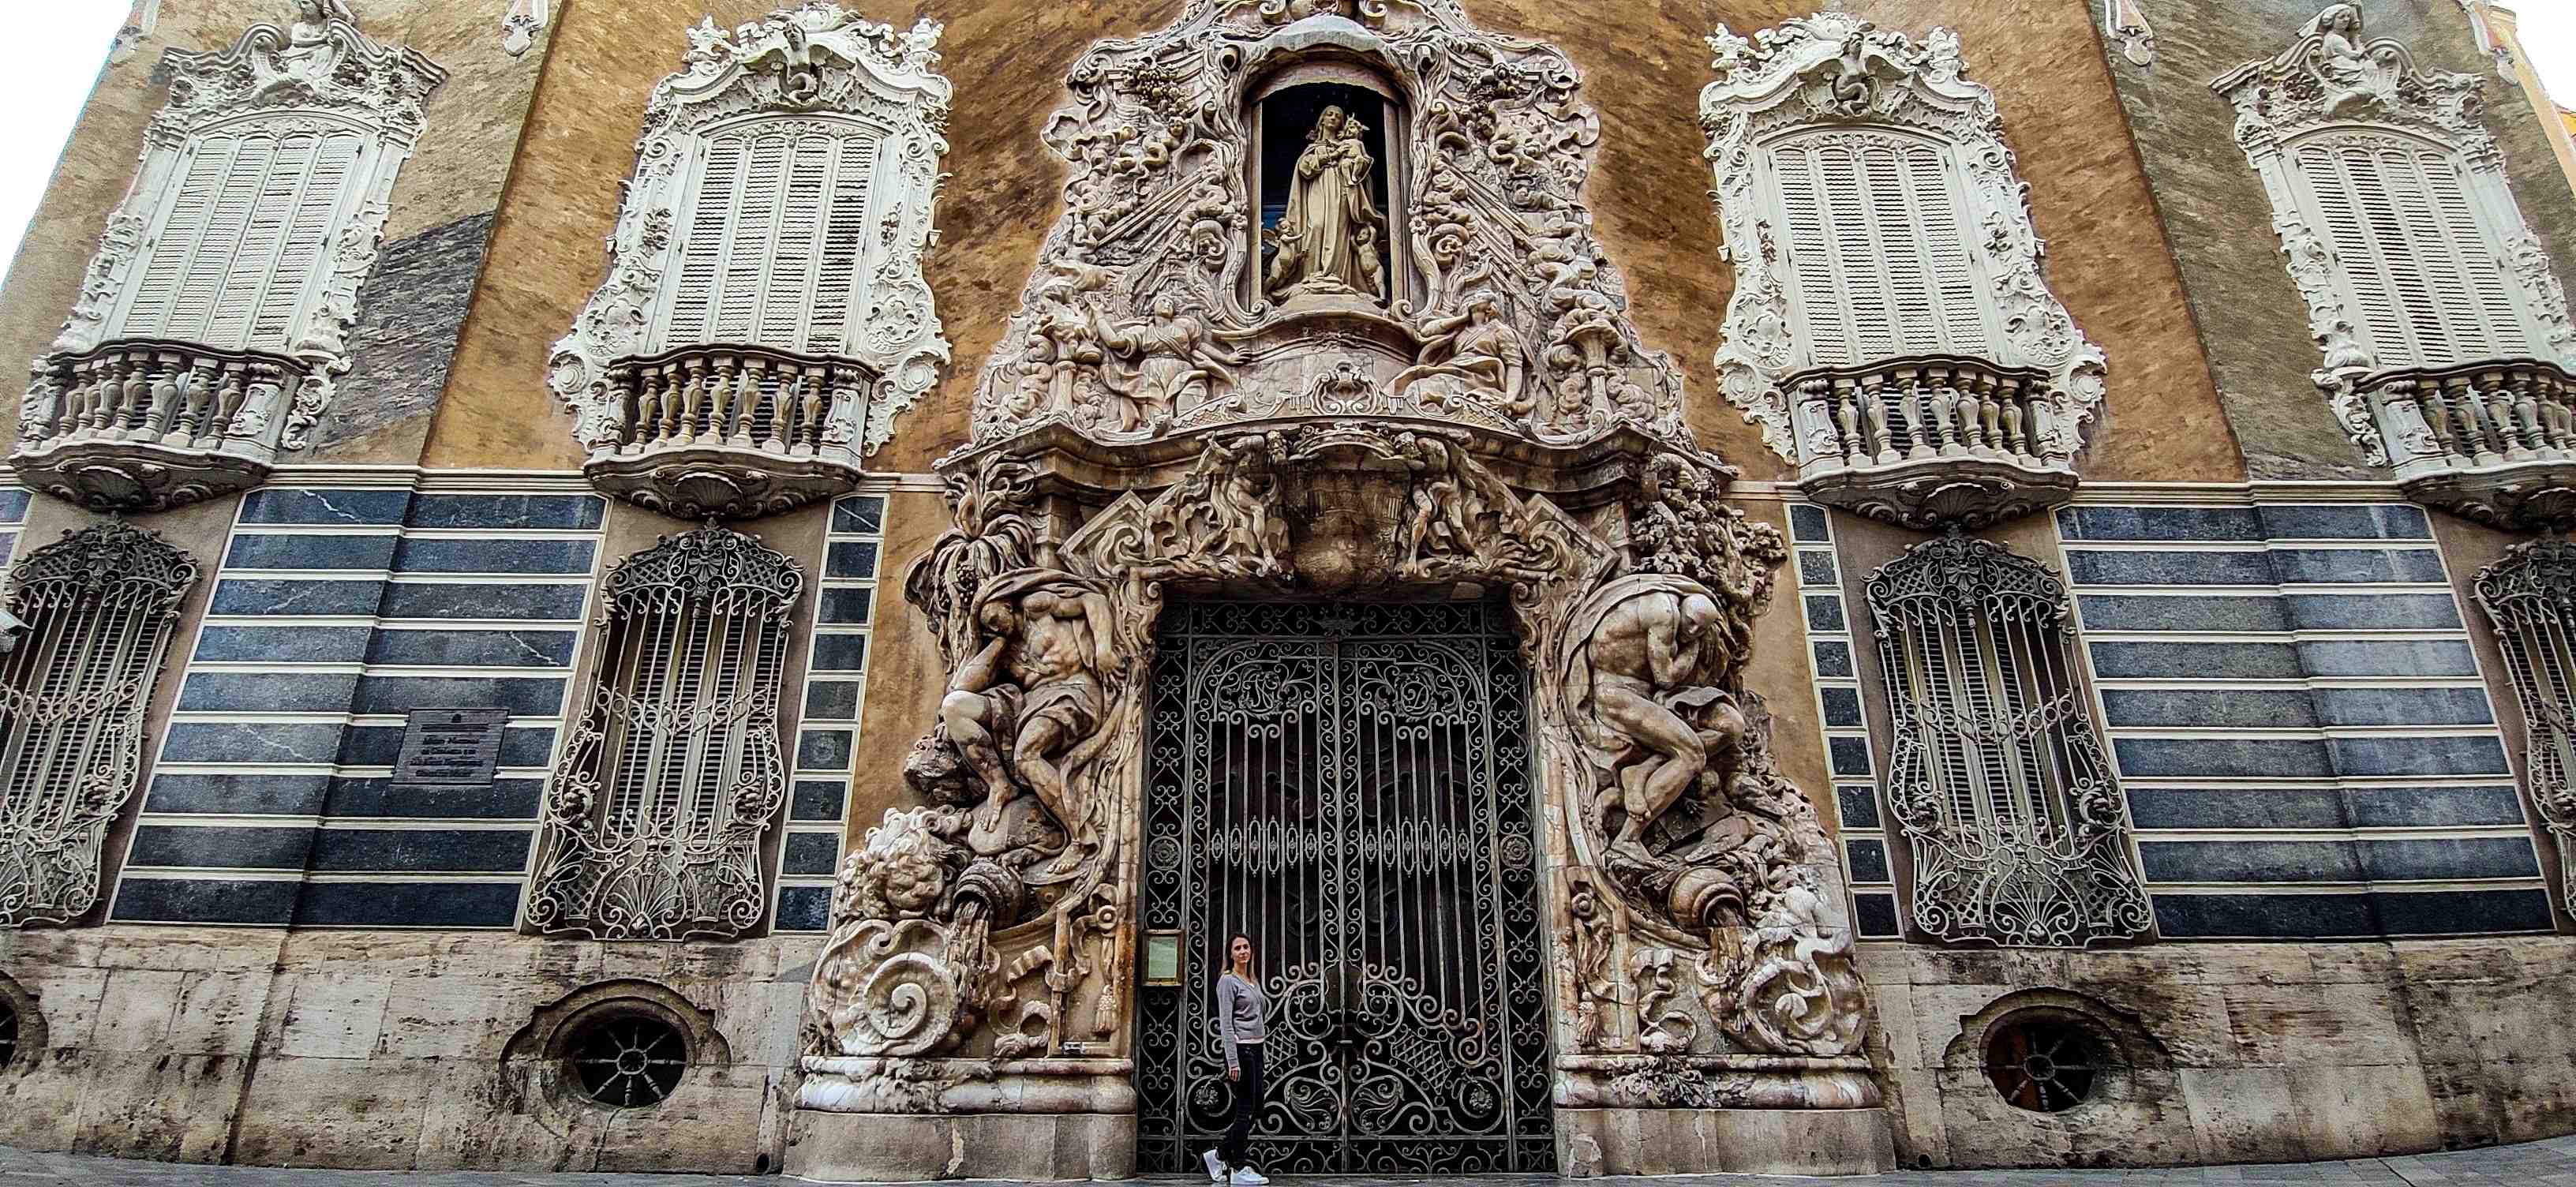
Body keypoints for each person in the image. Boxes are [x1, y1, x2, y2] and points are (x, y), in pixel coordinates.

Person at [1204, 933, 1270, 1185]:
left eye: (1246, 947)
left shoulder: (1251, 980)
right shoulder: (1227, 981)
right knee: (1245, 1109)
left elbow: (1258, 1017)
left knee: (1257, 1108)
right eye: (1238, 948)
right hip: (1242, 1051)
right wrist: (1232, 1061)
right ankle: (1239, 1168)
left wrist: (1262, 1048)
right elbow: (1226, 1024)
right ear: (1230, 954)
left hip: (1257, 1049)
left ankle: (1219, 1154)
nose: (1243, 951)